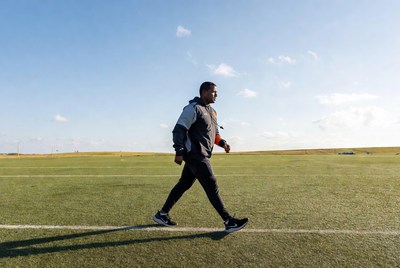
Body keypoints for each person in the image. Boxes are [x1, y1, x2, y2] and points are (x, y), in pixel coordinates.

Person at [152, 81, 248, 233]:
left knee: (184, 184)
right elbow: (179, 129)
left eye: (216, 92)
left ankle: (162, 214)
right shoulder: (193, 108)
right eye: (213, 92)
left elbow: (214, 134)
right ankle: (229, 221)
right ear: (204, 92)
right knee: (211, 185)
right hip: (195, 155)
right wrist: (179, 151)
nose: (216, 94)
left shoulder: (213, 112)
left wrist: (223, 144)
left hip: (201, 154)